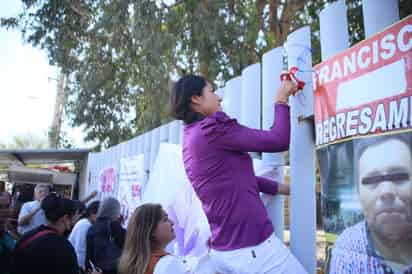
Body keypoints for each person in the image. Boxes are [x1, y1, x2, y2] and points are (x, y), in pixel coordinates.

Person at [170, 75, 306, 274]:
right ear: (196, 99)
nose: (219, 98)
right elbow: (279, 140)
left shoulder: (192, 137)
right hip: (252, 251)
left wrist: (283, 188)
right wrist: (281, 98)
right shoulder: (211, 129)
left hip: (226, 252)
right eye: (212, 91)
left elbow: (237, 179)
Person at [329, 134, 412, 274]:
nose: (386, 191)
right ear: (358, 193)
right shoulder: (348, 245)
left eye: (399, 176)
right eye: (372, 180)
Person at [11, 193, 97, 274]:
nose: (78, 218)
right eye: (76, 215)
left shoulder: (29, 235)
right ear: (65, 218)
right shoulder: (63, 247)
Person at [118, 203, 190, 274]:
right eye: (165, 219)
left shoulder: (136, 264)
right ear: (151, 230)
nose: (172, 222)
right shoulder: (169, 264)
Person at [86, 197, 126, 274]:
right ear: (116, 211)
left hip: (95, 270)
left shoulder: (92, 228)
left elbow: (88, 257)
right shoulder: (116, 227)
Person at [69, 200, 100, 271]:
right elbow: (80, 250)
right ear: (92, 213)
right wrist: (82, 269)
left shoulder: (88, 224)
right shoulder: (85, 225)